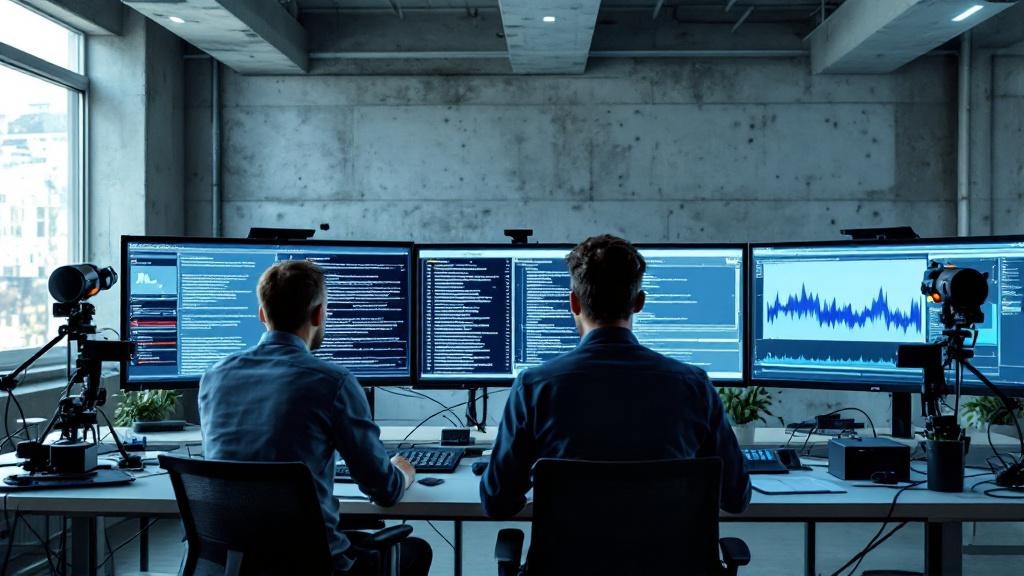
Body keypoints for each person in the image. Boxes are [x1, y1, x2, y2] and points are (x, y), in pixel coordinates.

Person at [480, 234, 751, 519]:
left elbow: (498, 503)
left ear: (573, 303)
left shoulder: (535, 387)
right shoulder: (694, 385)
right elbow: (735, 497)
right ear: (639, 302)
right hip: (666, 563)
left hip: (570, 563)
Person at [200, 260, 432, 575]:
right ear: (319, 314)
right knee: (415, 551)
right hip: (312, 564)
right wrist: (402, 471)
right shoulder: (332, 382)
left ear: (262, 315)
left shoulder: (214, 377)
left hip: (231, 562)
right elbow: (384, 491)